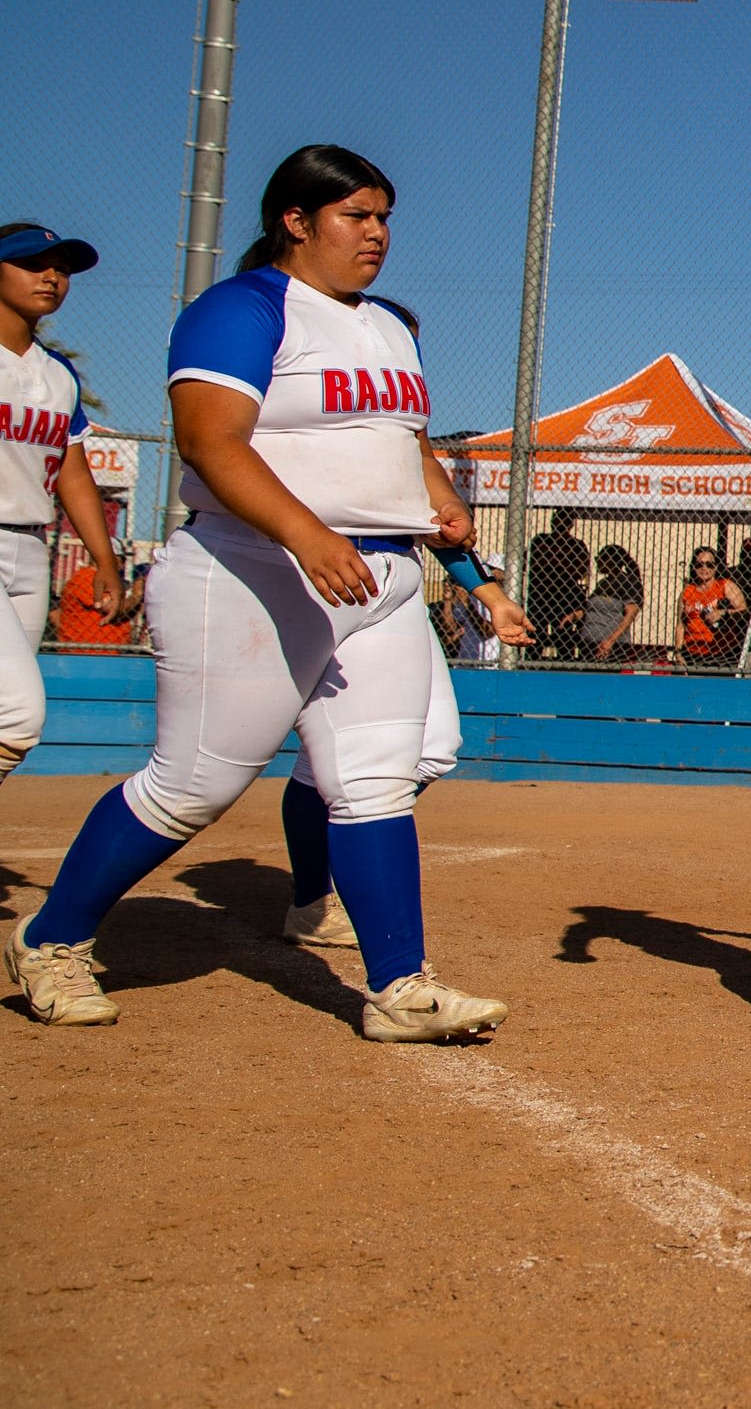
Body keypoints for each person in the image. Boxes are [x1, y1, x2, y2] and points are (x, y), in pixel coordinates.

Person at [1, 145, 506, 1039]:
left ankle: (400, 988)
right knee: (190, 787)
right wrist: (308, 534)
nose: (377, 234)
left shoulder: (390, 324)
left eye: (384, 216)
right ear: (296, 221)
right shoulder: (239, 309)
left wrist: (464, 552)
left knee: (377, 782)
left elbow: (401, 443)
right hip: (252, 570)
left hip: (379, 574)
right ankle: (51, 939)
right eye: (356, 216)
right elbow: (209, 440)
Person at [279, 291, 538, 952]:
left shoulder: (403, 431)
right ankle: (315, 893)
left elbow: (427, 519)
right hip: (308, 580)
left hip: (389, 587)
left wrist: (490, 595)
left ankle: (318, 889)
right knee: (201, 777)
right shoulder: (301, 412)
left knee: (429, 748)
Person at [0, 225, 127, 782]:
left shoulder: (59, 374)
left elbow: (72, 468)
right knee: (18, 717)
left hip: (31, 551)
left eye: (62, 268)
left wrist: (104, 560)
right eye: (32, 263)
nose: (51, 275)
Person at [527, 509, 589, 658]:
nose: (560, 524)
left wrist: (552, 565)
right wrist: (560, 565)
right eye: (557, 520)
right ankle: (531, 661)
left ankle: (564, 664)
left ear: (570, 524)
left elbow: (580, 570)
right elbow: (533, 563)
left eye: (565, 521)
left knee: (564, 632)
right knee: (536, 631)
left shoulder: (576, 545)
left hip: (565, 595)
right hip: (541, 594)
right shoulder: (541, 540)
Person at [680, 546, 746, 666]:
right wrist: (678, 652)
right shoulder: (688, 591)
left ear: (716, 567)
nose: (704, 568)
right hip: (692, 654)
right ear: (694, 567)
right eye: (700, 564)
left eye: (709, 565)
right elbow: (681, 624)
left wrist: (722, 613)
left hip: (721, 654)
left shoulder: (725, 586)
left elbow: (744, 610)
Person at [577, 544, 644, 663]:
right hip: (589, 643)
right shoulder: (604, 583)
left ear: (609, 560)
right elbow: (591, 608)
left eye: (599, 559)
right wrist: (574, 615)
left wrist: (610, 641)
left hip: (610, 645)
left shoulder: (628, 582)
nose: (597, 562)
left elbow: (630, 614)